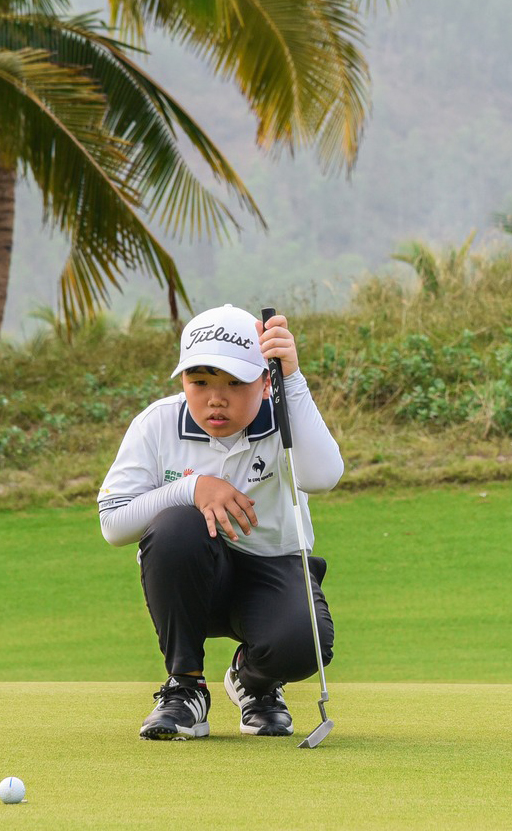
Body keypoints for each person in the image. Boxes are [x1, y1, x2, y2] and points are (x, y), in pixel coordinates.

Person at [97, 304, 343, 740]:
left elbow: (323, 477)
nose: (216, 397)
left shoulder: (284, 416)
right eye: (200, 381)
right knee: (175, 526)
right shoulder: (157, 424)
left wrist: (295, 381)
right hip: (194, 578)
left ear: (266, 382)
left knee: (305, 645)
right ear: (183, 381)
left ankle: (256, 683)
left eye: (236, 382)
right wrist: (192, 489)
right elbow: (114, 524)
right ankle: (185, 689)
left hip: (273, 569)